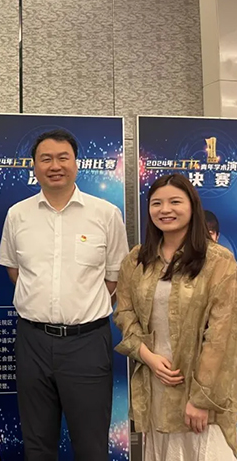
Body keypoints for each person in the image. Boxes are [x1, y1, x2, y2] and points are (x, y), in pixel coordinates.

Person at [0, 129, 129, 460]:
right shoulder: (17, 214)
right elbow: (15, 271)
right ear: (34, 166)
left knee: (91, 444)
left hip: (87, 343)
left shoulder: (106, 214)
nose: (55, 166)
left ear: (76, 163)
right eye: (46, 159)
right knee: (38, 443)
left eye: (62, 158)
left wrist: (79, 304)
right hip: (33, 341)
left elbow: (114, 277)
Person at [114, 174, 237, 460]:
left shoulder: (218, 261)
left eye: (175, 202)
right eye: (156, 203)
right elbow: (124, 313)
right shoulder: (136, 260)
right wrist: (147, 356)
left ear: (192, 206)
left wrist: (202, 399)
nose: (165, 209)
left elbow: (222, 335)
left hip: (202, 390)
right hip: (156, 384)